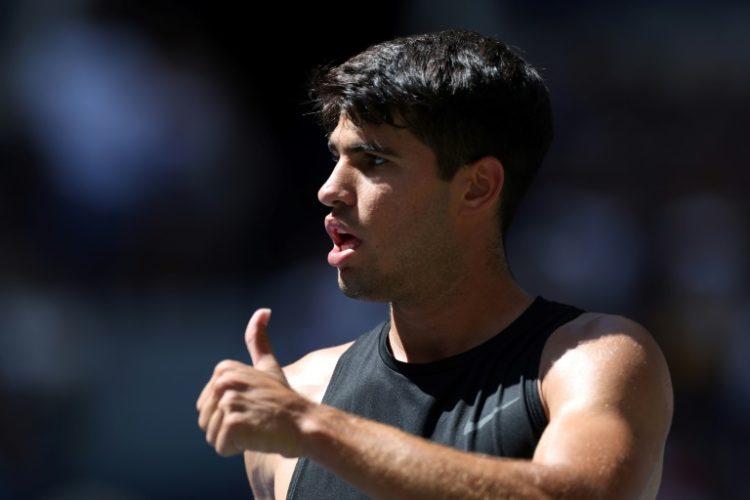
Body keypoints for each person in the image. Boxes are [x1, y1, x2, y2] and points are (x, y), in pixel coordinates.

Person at [196, 30, 673, 499]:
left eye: (374, 161)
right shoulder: (300, 393)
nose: (329, 189)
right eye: (337, 157)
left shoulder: (592, 360)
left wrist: (312, 428)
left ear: (477, 187)